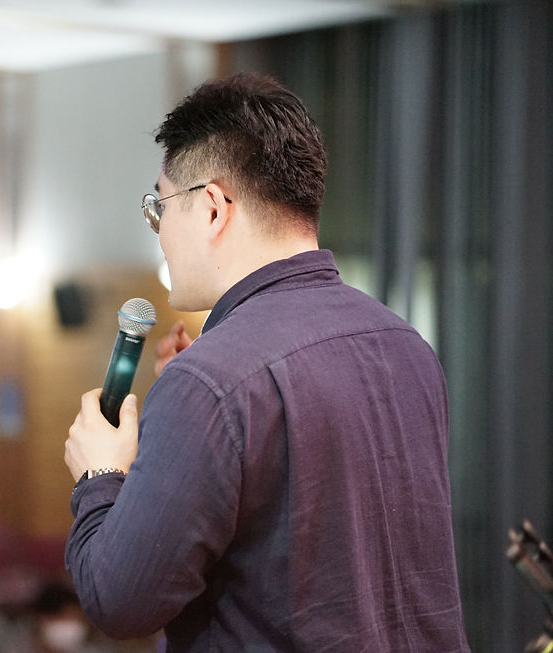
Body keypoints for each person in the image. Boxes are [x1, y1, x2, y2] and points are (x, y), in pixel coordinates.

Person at [63, 73, 469, 652]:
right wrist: (198, 417)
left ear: (211, 208)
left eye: (160, 208)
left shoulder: (209, 383)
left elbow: (119, 600)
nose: (160, 233)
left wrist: (99, 475)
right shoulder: (405, 344)